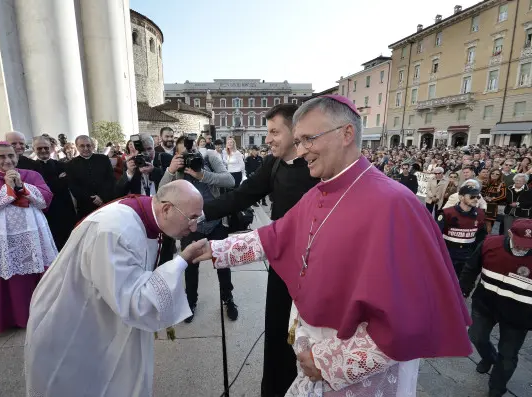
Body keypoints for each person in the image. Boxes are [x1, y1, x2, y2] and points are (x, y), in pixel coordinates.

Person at [194, 95, 472, 396]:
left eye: (308, 139)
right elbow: (276, 235)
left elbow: (412, 318)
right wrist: (217, 249)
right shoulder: (320, 192)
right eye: (297, 141)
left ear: (346, 134)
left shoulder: (395, 204)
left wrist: (330, 363)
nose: (301, 151)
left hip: (353, 374)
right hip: (314, 362)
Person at [25, 180, 208, 397]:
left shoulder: (144, 213)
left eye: (199, 218)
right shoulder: (115, 231)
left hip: (104, 312)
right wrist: (182, 261)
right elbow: (137, 303)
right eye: (192, 218)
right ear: (167, 209)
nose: (194, 227)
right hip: (75, 326)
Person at [202, 103, 318, 397]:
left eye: (274, 131)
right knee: (278, 330)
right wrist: (201, 212)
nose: (268, 139)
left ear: (296, 130)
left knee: (310, 336)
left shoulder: (320, 167)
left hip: (316, 267)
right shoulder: (274, 164)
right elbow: (243, 195)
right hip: (281, 263)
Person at [0, 142, 57, 332]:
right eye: (1, 157)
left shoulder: (31, 175)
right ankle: (17, 317)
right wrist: (7, 187)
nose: (7, 160)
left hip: (34, 233)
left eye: (10, 155)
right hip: (2, 237)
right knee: (10, 274)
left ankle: (47, 313)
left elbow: (45, 199)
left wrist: (21, 186)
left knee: (41, 270)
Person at [159, 136, 236, 322]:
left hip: (215, 221)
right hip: (190, 226)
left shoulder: (209, 157)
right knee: (190, 266)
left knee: (222, 262)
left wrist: (202, 175)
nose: (189, 157)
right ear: (177, 154)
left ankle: (228, 298)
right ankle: (190, 301)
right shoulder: (176, 169)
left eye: (191, 152)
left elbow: (230, 180)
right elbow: (161, 193)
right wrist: (171, 170)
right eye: (183, 154)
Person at [460, 218, 532, 397]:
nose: (523, 248)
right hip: (486, 305)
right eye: (520, 243)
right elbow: (470, 268)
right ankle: (489, 357)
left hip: (519, 315)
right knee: (476, 336)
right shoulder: (490, 245)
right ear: (509, 234)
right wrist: (462, 292)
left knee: (508, 355)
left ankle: (497, 388)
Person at [33, 136, 77, 250]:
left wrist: (50, 184)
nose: (43, 151)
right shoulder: (32, 169)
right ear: (34, 150)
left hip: (65, 209)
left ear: (51, 148)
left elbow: (67, 184)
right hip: (45, 212)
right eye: (39, 148)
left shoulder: (62, 165)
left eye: (46, 148)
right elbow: (41, 190)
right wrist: (58, 180)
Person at [437, 185, 487, 277]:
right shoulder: (447, 213)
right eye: (472, 196)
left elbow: (481, 236)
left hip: (467, 256)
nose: (476, 199)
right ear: (461, 197)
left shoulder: (480, 214)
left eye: (478, 196)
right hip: (448, 255)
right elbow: (436, 235)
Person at [66, 135, 116, 218]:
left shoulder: (103, 159)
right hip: (85, 206)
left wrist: (102, 197)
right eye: (82, 146)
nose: (86, 148)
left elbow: (110, 179)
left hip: (106, 202)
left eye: (88, 145)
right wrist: (92, 198)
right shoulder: (70, 164)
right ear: (77, 147)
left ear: (92, 146)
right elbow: (74, 186)